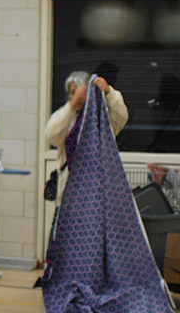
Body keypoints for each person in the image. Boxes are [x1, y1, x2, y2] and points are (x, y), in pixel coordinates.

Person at [45, 71, 128, 210]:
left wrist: (108, 92)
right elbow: (52, 134)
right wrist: (71, 105)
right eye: (72, 92)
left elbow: (121, 116)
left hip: (95, 192)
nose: (77, 96)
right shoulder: (67, 116)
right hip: (69, 189)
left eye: (81, 92)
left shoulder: (100, 118)